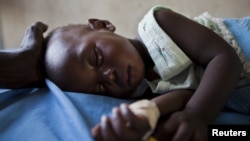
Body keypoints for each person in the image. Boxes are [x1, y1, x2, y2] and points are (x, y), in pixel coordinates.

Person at [1, 5, 250, 141]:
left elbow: (224, 59)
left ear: (102, 25)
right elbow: (187, 94)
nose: (108, 77)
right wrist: (142, 120)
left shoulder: (160, 25)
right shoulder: (142, 89)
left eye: (96, 58)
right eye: (99, 88)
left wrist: (196, 116)